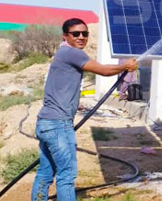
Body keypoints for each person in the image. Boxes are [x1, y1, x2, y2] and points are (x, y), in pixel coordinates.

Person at [31, 18, 137, 201]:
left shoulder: (64, 53)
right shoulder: (72, 53)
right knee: (67, 176)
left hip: (45, 123)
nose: (81, 37)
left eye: (85, 33)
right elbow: (103, 70)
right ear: (66, 36)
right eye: (76, 34)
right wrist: (125, 66)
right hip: (58, 125)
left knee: (45, 172)